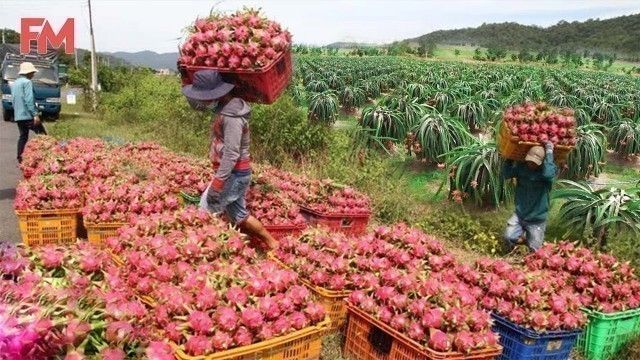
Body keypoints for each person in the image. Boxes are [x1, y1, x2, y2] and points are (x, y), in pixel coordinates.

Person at [182, 70, 278, 250]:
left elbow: (232, 154)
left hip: (233, 174)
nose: (203, 99)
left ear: (218, 93)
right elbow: (198, 106)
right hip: (236, 174)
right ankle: (273, 244)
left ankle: (205, 251)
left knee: (204, 212)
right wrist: (184, 79)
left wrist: (218, 184)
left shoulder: (232, 117)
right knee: (239, 216)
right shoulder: (225, 106)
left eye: (205, 95)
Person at [502, 143, 557, 251]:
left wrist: (549, 152)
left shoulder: (545, 174)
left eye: (535, 163)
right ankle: (528, 241)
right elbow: (505, 174)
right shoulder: (522, 168)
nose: (531, 164)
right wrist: (510, 158)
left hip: (537, 218)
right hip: (520, 214)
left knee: (535, 250)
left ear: (542, 163)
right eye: (530, 161)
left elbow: (549, 175)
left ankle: (533, 242)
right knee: (509, 237)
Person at [12, 62, 47, 163]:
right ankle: (45, 155)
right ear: (28, 73)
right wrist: (35, 114)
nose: (33, 74)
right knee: (43, 134)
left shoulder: (16, 82)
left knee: (23, 136)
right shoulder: (27, 82)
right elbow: (29, 99)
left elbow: (15, 99)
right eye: (32, 72)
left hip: (19, 115)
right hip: (28, 115)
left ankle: (20, 157)